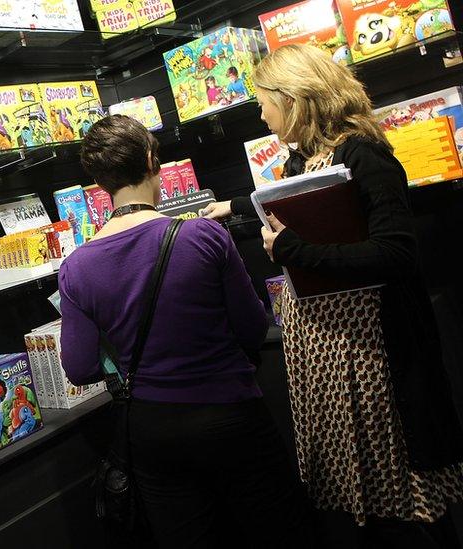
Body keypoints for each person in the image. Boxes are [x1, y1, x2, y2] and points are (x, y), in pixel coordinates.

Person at [202, 44, 463, 544]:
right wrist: (236, 209)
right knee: (359, 483)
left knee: (405, 480)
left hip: (372, 347)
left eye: (265, 101)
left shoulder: (365, 153)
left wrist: (296, 250)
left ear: (295, 99)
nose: (261, 113)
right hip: (326, 343)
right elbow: (302, 206)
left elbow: (395, 253)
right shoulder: (298, 161)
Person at [60, 114, 312, 547]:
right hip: (230, 412)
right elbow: (253, 328)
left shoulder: (77, 267)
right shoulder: (203, 237)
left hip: (152, 431)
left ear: (100, 181)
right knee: (279, 532)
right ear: (152, 160)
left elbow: (80, 368)